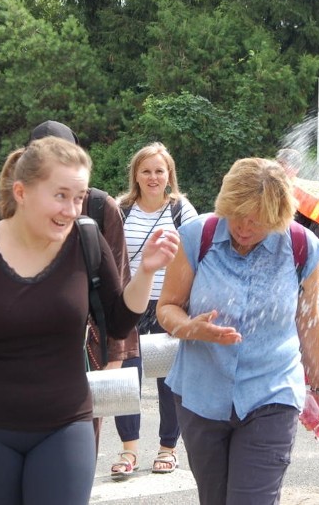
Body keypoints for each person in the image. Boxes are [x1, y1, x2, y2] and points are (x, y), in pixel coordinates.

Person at [0, 136, 179, 504]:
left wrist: (147, 272)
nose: (72, 209)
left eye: (79, 197)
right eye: (60, 196)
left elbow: (119, 324)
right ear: (22, 192)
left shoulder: (87, 241)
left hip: (65, 424)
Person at [157, 157, 319, 504]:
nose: (244, 226)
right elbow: (167, 308)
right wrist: (192, 328)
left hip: (272, 393)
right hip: (201, 395)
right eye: (237, 214)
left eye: (259, 220)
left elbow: (308, 322)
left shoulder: (301, 248)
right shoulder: (196, 237)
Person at [28, 120, 133, 451]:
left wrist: (116, 353)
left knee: (81, 441)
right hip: (28, 344)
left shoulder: (101, 207)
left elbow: (119, 281)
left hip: (89, 342)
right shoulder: (19, 202)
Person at [109, 142, 198, 478]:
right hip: (130, 306)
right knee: (126, 378)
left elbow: (195, 254)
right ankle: (128, 450)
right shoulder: (121, 209)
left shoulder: (182, 211)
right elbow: (110, 260)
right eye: (146, 170)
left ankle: (167, 448)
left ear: (169, 175)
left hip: (168, 306)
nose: (152, 177)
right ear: (136, 174)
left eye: (159, 171)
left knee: (167, 381)